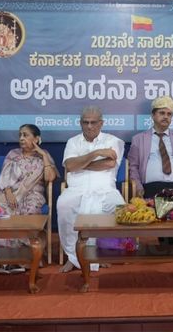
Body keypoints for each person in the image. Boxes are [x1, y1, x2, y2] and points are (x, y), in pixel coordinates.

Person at [57, 106, 125, 273]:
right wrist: (96, 153)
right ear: (80, 123)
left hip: (105, 189)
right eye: (85, 122)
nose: (89, 126)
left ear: (101, 123)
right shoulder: (73, 142)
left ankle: (103, 253)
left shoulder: (113, 140)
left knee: (118, 206)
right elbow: (70, 166)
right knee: (63, 205)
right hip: (76, 189)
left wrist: (81, 164)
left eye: (93, 122)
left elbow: (109, 164)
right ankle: (72, 257)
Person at [0, 124, 59, 275]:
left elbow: (50, 178)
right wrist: (8, 193)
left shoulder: (44, 155)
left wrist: (43, 155)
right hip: (9, 192)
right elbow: (4, 177)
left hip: (33, 194)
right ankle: (6, 259)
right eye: (20, 135)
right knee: (1, 210)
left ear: (36, 139)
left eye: (26, 135)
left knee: (29, 210)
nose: (21, 138)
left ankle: (25, 258)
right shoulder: (13, 154)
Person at [128, 96, 173, 199]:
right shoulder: (139, 139)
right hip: (152, 186)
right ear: (153, 115)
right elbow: (133, 167)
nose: (166, 117)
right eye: (162, 113)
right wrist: (138, 187)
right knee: (158, 206)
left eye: (169, 114)